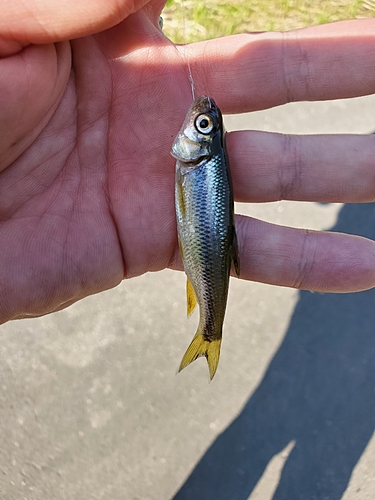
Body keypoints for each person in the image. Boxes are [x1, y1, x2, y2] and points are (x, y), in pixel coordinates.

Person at [1, 0, 374, 324]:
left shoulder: (197, 165)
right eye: (204, 124)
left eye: (203, 124)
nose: (200, 119)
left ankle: (210, 328)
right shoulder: (196, 166)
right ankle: (211, 327)